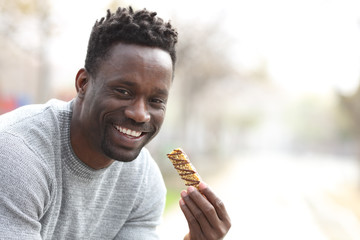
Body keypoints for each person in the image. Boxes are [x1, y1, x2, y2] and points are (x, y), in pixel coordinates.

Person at [0, 6, 231, 240]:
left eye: (155, 100)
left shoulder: (142, 178)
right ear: (83, 84)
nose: (140, 114)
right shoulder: (18, 155)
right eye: (123, 91)